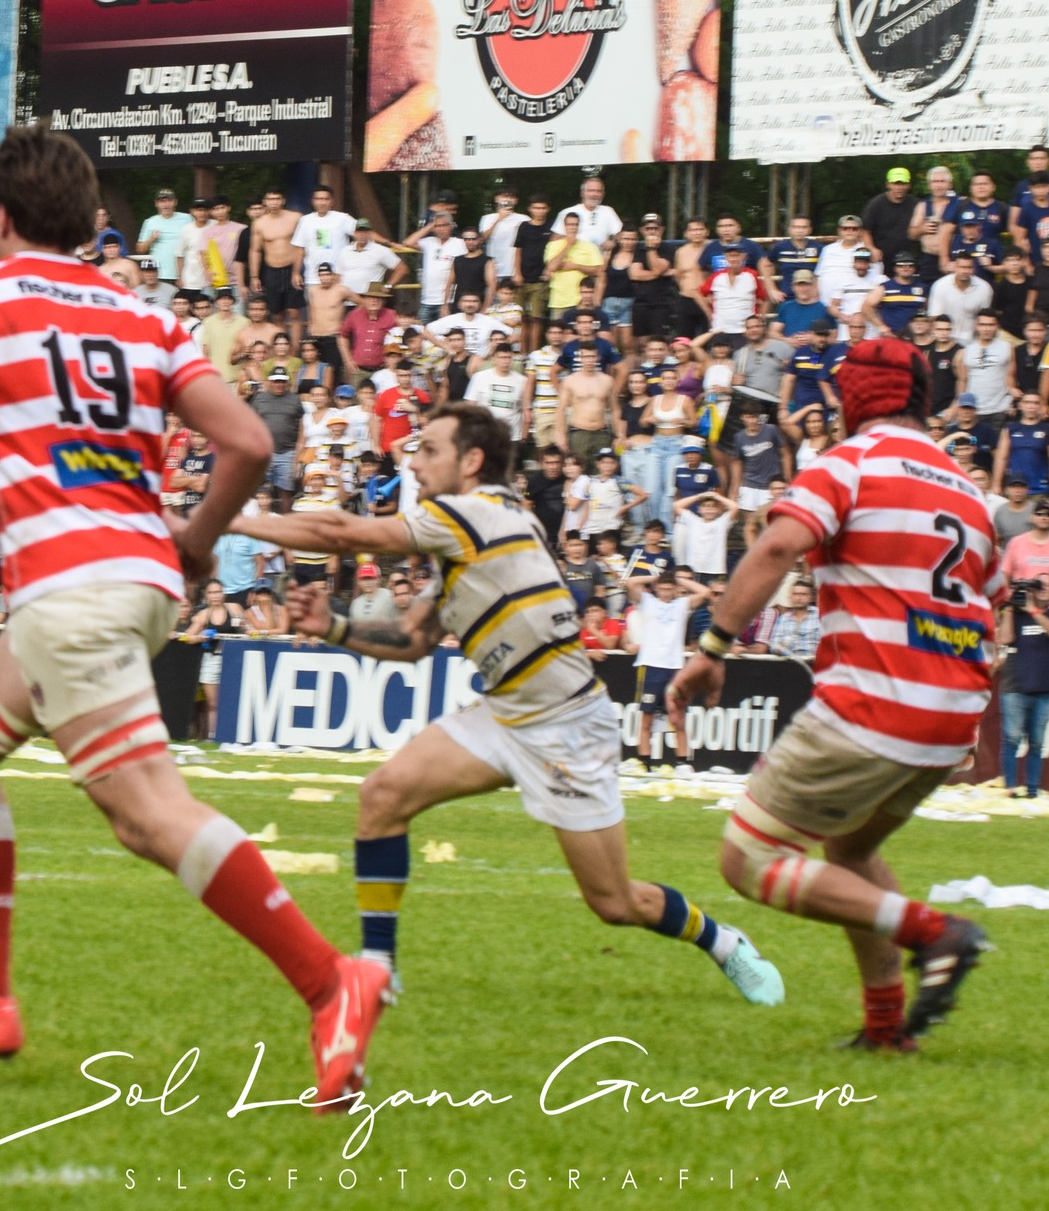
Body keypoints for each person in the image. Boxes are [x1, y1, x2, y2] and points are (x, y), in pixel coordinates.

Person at [0, 127, 386, 1097]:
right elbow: (240, 442)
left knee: (148, 817)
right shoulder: (143, 315)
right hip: (131, 578)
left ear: (0, 216)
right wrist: (190, 549)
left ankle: (330, 983)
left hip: (70, 590)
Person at [231, 403, 784, 1006]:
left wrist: (228, 519)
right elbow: (415, 643)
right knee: (383, 796)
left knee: (615, 903)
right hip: (504, 714)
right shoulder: (473, 528)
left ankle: (723, 942)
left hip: (567, 723)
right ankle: (378, 968)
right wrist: (335, 628)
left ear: (471, 462)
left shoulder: (475, 512)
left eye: (430, 450)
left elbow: (338, 531)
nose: (414, 463)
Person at [669, 338, 998, 1053]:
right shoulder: (969, 492)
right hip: (950, 716)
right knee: (849, 852)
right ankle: (885, 1027)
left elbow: (777, 548)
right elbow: (989, 600)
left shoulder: (847, 462)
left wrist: (713, 649)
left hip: (874, 701)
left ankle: (938, 934)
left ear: (857, 398)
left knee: (748, 857)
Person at [996, 576, 1049, 797]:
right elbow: (1005, 639)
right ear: (1032, 592)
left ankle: (1033, 788)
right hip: (1015, 685)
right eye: (1039, 585)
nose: (1043, 588)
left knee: (1036, 742)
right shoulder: (1016, 617)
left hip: (1044, 688)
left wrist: (1033, 610)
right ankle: (1010, 787)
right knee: (1012, 738)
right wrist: (1009, 608)